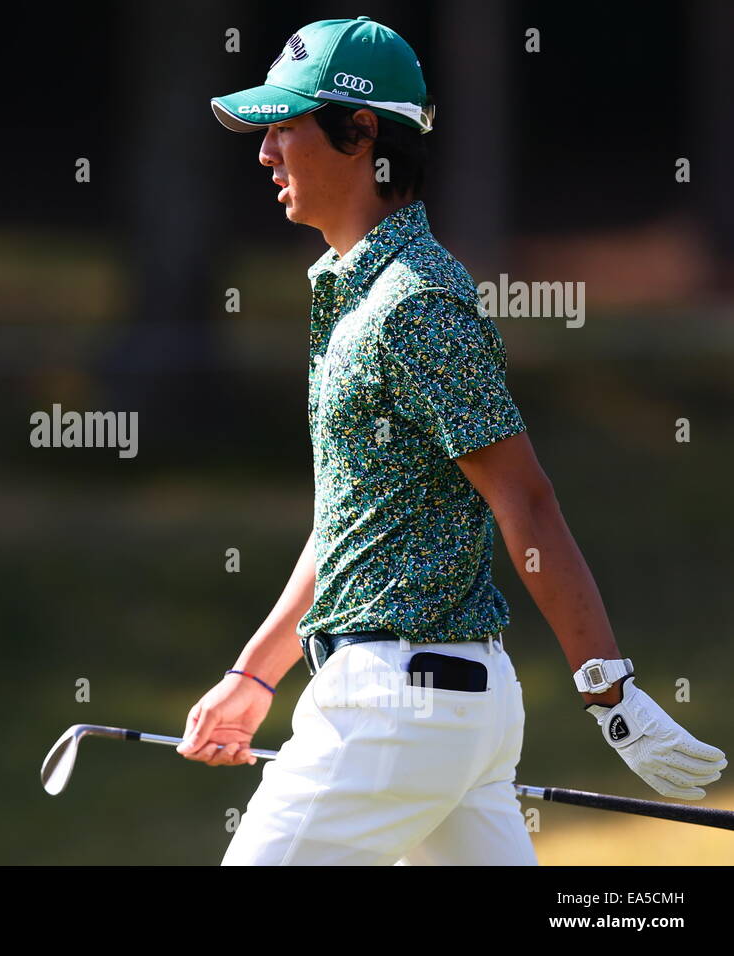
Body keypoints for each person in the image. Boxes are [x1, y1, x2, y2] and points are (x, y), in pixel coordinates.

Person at [177, 16, 727, 866]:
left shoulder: (414, 302)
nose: (266, 152)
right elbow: (354, 524)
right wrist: (256, 675)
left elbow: (525, 499)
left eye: (285, 126)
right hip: (438, 711)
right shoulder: (355, 294)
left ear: (361, 134)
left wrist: (610, 691)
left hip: (396, 710)